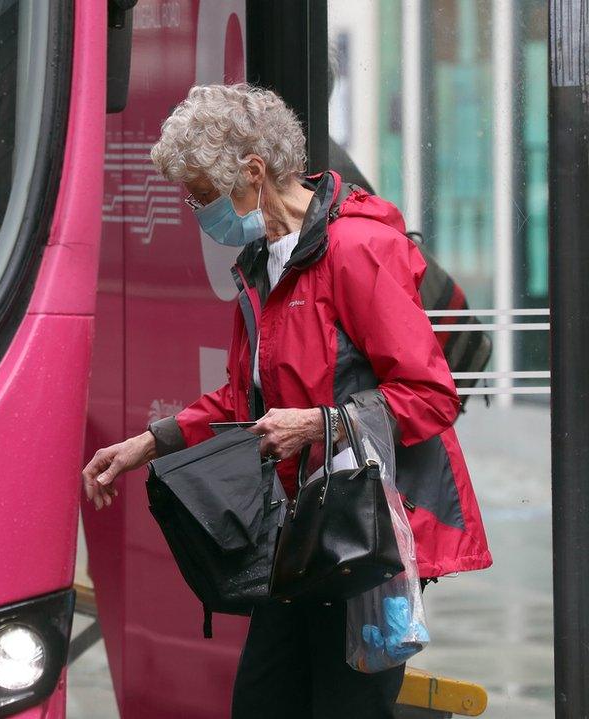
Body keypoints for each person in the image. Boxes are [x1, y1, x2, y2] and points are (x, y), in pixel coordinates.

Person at [80, 83, 491, 719]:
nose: (196, 211)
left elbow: (430, 396)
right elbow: (241, 396)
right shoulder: (261, 262)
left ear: (251, 172)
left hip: (364, 541)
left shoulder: (358, 250)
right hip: (295, 538)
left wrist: (321, 424)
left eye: (201, 194)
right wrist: (148, 443)